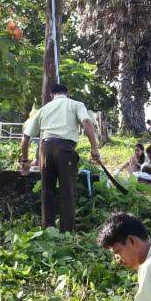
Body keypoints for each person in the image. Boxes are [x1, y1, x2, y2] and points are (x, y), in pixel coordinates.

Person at [20, 83, 103, 233]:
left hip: (45, 150)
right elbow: (87, 122)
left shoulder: (44, 109)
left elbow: (25, 137)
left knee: (47, 191)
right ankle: (67, 232)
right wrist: (94, 147)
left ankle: (48, 230)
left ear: (52, 95)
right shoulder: (75, 104)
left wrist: (25, 161)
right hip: (65, 150)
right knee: (67, 191)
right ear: (67, 93)